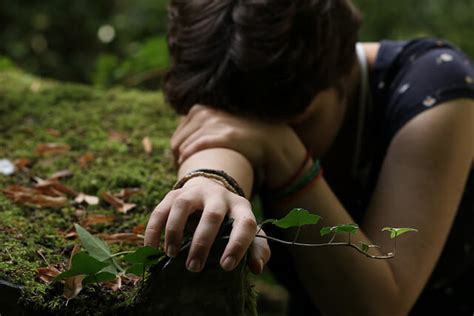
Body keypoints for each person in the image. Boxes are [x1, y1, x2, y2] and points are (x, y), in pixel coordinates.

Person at [144, 0, 474, 314]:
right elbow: (222, 140)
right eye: (249, 125)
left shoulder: (436, 91)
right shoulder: (241, 75)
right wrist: (209, 179)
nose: (263, 137)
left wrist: (288, 158)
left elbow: (378, 306)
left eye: (296, 122)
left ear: (341, 73)